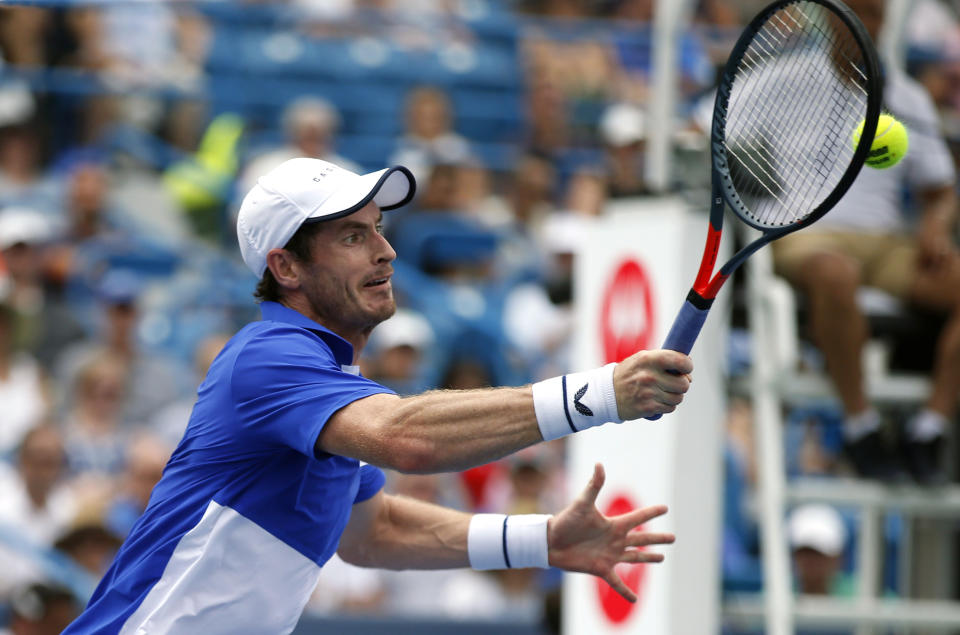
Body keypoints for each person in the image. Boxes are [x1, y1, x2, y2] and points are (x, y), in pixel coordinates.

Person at [63, 157, 693, 634]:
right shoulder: (266, 357)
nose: (387, 251)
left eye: (379, 230)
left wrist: (541, 540)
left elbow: (373, 531)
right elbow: (406, 438)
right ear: (285, 268)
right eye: (352, 237)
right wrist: (602, 394)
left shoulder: (333, 390)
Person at [771, 0, 960, 484]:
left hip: (885, 243)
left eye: (874, 12)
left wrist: (935, 225)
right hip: (804, 236)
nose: (865, 22)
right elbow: (708, 124)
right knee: (837, 273)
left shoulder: (907, 96)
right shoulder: (779, 77)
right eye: (855, 9)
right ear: (830, 15)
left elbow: (940, 192)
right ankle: (862, 427)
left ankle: (930, 428)